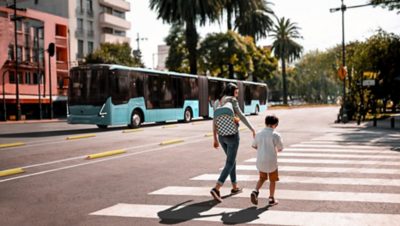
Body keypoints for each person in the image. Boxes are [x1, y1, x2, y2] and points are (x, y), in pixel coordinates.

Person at [210, 83, 256, 202]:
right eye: (236, 92)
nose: (237, 95)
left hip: (221, 136)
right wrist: (252, 129)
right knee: (230, 162)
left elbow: (214, 121)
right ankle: (216, 188)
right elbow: (241, 115)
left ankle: (235, 187)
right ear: (232, 92)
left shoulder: (217, 102)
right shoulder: (232, 101)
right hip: (232, 136)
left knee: (231, 160)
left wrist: (215, 138)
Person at [250, 115, 283, 206]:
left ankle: (255, 191)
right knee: (272, 180)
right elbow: (280, 148)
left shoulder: (259, 133)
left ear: (265, 123)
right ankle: (271, 198)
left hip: (261, 160)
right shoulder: (276, 135)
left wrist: (262, 149)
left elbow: (254, 145)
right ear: (275, 124)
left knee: (262, 178)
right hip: (271, 161)